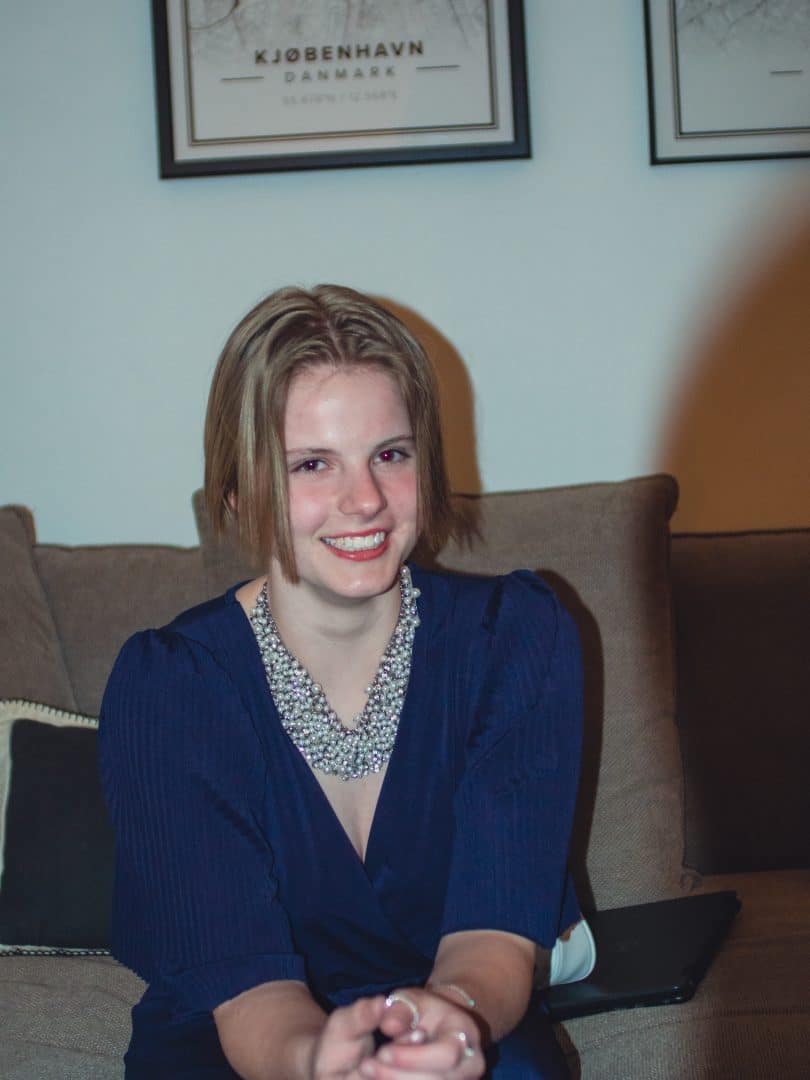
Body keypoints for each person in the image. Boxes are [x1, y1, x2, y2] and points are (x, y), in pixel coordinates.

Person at [99, 284, 585, 1079]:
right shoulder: (170, 688)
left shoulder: (514, 640)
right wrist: (319, 1059)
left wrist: (444, 1021)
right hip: (245, 1037)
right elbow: (244, 989)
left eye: (390, 455)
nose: (364, 501)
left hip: (455, 1017)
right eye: (312, 464)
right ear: (238, 492)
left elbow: (495, 934)